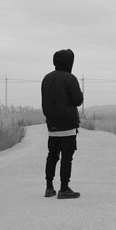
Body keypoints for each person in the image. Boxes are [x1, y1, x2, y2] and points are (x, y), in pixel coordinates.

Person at [41, 49, 84, 199]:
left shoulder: (46, 78)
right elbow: (78, 100)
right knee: (67, 157)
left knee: (52, 156)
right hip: (68, 126)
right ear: (69, 62)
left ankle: (49, 187)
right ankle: (64, 189)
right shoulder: (70, 79)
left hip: (52, 126)